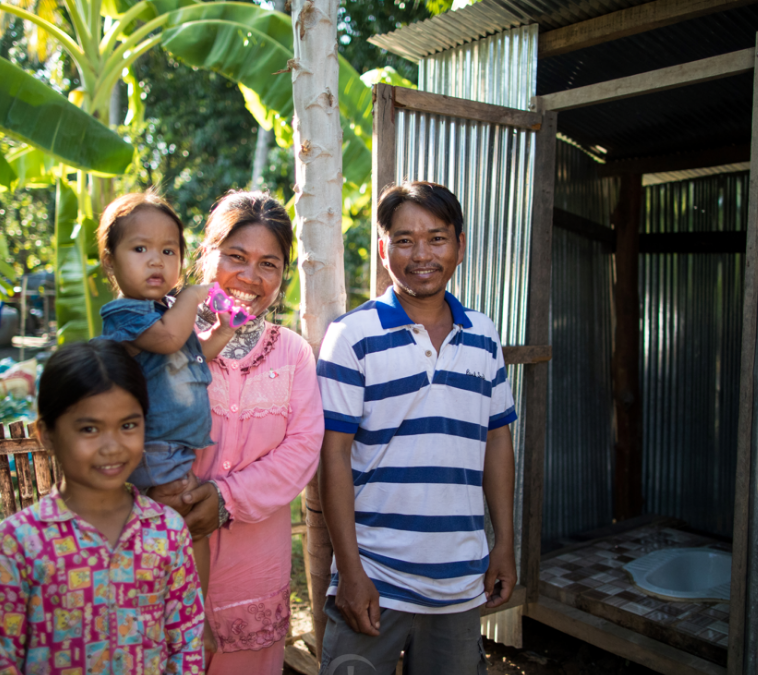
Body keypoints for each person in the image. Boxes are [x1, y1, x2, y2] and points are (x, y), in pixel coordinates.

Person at [316, 181, 517, 674]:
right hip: (373, 580)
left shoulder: (484, 336)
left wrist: (505, 544)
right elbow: (333, 456)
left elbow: (497, 440)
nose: (421, 254)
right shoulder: (351, 337)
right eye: (404, 240)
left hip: (459, 582)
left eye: (437, 237)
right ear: (383, 249)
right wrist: (352, 573)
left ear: (460, 247)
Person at [0, 341, 204, 674]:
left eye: (128, 425)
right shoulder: (19, 543)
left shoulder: (167, 531)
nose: (112, 446)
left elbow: (187, 644)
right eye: (89, 429)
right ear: (46, 435)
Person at [177, 191, 324, 674]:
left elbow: (303, 450)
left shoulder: (293, 353)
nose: (250, 277)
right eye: (235, 257)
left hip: (255, 567)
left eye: (269, 264)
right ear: (207, 254)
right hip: (165, 553)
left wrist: (224, 498)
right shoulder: (165, 339)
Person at [95, 190, 238, 650]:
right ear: (110, 262)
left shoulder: (163, 313)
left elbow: (194, 350)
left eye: (168, 251)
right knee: (176, 525)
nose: (156, 261)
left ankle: (185, 613)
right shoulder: (125, 315)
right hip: (152, 446)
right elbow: (171, 338)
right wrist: (195, 295)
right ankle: (179, 620)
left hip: (175, 448)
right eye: (140, 249)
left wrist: (222, 332)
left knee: (185, 528)